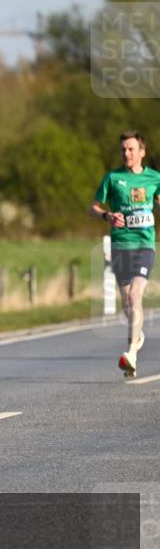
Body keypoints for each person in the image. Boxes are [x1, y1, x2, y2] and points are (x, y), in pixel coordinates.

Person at [89, 130, 160, 378]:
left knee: (135, 297)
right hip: (120, 245)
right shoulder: (112, 177)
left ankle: (131, 352)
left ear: (142, 152)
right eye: (123, 150)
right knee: (126, 302)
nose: (126, 153)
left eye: (131, 149)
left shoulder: (155, 178)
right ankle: (137, 335)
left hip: (143, 245)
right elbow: (94, 207)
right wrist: (107, 216)